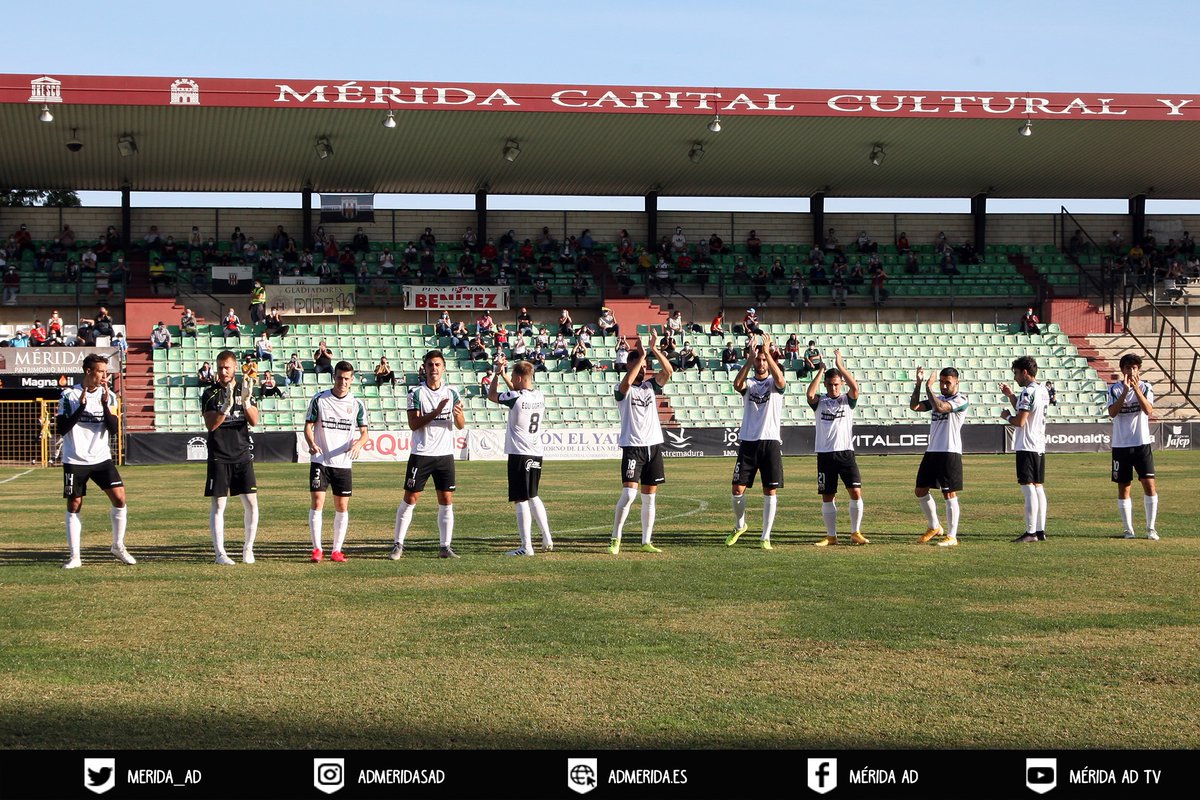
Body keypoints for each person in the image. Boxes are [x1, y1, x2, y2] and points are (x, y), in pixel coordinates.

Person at [57, 354, 133, 569]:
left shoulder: (109, 396)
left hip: (101, 457)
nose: (104, 376)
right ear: (88, 371)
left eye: (105, 372)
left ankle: (118, 546)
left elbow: (113, 429)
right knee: (74, 503)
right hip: (75, 459)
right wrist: (80, 408)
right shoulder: (68, 395)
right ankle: (75, 556)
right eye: (100, 371)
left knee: (120, 498)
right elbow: (62, 428)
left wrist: (104, 405)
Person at [390, 350, 466, 559]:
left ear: (443, 368)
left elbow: (460, 425)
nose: (434, 368)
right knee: (411, 497)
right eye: (430, 365)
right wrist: (436, 411)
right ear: (424, 368)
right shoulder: (416, 393)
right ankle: (398, 544)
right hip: (422, 453)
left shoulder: (452, 393)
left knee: (446, 499)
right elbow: (413, 424)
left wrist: (458, 417)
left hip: (444, 455)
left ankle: (445, 547)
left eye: (437, 365)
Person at [609, 334, 673, 555]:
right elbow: (627, 382)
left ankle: (646, 540)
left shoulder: (649, 387)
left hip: (653, 446)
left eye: (645, 367)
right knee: (628, 495)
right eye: (640, 366)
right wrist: (640, 358)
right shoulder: (622, 389)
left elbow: (669, 372)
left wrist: (654, 350)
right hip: (633, 447)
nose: (644, 370)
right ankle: (615, 538)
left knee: (650, 497)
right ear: (629, 365)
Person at [488, 359, 555, 556]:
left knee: (520, 499)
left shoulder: (515, 397)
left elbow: (492, 395)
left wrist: (495, 373)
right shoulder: (539, 395)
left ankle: (526, 547)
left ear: (518, 378)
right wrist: (504, 375)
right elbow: (518, 391)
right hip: (536, 452)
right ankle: (547, 536)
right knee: (533, 495)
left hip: (519, 453)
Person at [726, 334, 786, 550]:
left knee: (770, 491)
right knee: (737, 488)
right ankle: (740, 525)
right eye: (758, 360)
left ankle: (765, 536)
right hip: (749, 442)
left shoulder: (774, 382)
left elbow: (781, 381)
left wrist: (767, 353)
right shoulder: (749, 383)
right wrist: (749, 359)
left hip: (770, 442)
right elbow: (736, 384)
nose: (761, 363)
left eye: (763, 360)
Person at [200, 350, 260, 565]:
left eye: (227, 367)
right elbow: (211, 425)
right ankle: (220, 554)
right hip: (219, 455)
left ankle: (248, 549)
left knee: (251, 503)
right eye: (220, 367)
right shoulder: (209, 393)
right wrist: (226, 405)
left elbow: (254, 421)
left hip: (242, 454)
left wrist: (244, 401)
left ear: (235, 368)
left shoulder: (246, 387)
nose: (223, 371)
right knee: (219, 505)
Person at [304, 361, 369, 563]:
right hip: (321, 460)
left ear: (352, 380)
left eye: (347, 378)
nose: (343, 381)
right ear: (334, 377)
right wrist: (312, 442)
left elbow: (365, 433)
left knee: (342, 506)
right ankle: (317, 549)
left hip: (343, 462)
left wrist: (359, 444)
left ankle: (336, 550)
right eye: (339, 377)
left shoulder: (356, 404)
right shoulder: (319, 399)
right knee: (317, 503)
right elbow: (308, 426)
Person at [806, 350, 868, 546]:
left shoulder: (847, 401)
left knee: (855, 492)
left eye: (836, 384)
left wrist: (840, 366)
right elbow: (810, 394)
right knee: (827, 495)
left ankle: (855, 532)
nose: (833, 388)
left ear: (840, 384)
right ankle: (831, 536)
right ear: (826, 384)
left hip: (845, 453)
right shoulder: (820, 402)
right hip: (825, 454)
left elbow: (855, 388)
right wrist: (820, 371)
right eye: (830, 384)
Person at [911, 366, 969, 547]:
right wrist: (920, 384)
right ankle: (934, 526)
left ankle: (952, 535)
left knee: (949, 493)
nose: (944, 386)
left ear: (957, 383)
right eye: (942, 382)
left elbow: (941, 408)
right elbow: (915, 406)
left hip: (950, 451)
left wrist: (930, 387)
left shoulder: (961, 399)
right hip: (933, 451)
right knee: (920, 490)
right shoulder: (940, 397)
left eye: (947, 383)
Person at [1107, 354, 1159, 540]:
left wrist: (1136, 389)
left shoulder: (1146, 387)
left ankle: (1150, 528)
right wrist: (1124, 392)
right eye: (1128, 368)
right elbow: (1112, 413)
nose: (1131, 371)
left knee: (1149, 484)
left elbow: (1148, 410)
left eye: (1135, 368)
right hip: (1121, 445)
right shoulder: (1114, 389)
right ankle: (1128, 530)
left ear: (1139, 370)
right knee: (1124, 487)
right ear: (1122, 370)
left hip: (1141, 443)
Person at [1001, 356, 1050, 543]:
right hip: (1038, 444)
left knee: (1028, 488)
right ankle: (1040, 530)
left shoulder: (1028, 392)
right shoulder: (1042, 390)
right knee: (1038, 487)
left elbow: (1020, 421)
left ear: (1024, 372)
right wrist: (1011, 395)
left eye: (1016, 373)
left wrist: (1006, 416)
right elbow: (1026, 410)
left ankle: (1030, 532)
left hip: (1027, 444)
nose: (1015, 377)